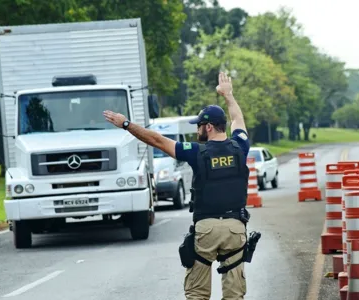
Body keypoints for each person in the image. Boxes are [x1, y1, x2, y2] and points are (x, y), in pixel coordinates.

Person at [103, 72, 250, 300]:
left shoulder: (196, 152)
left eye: (199, 126)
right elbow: (238, 121)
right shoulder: (240, 146)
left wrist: (126, 124)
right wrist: (228, 95)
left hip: (207, 228)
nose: (197, 130)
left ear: (209, 127)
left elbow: (157, 140)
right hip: (235, 228)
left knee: (197, 293)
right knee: (234, 294)